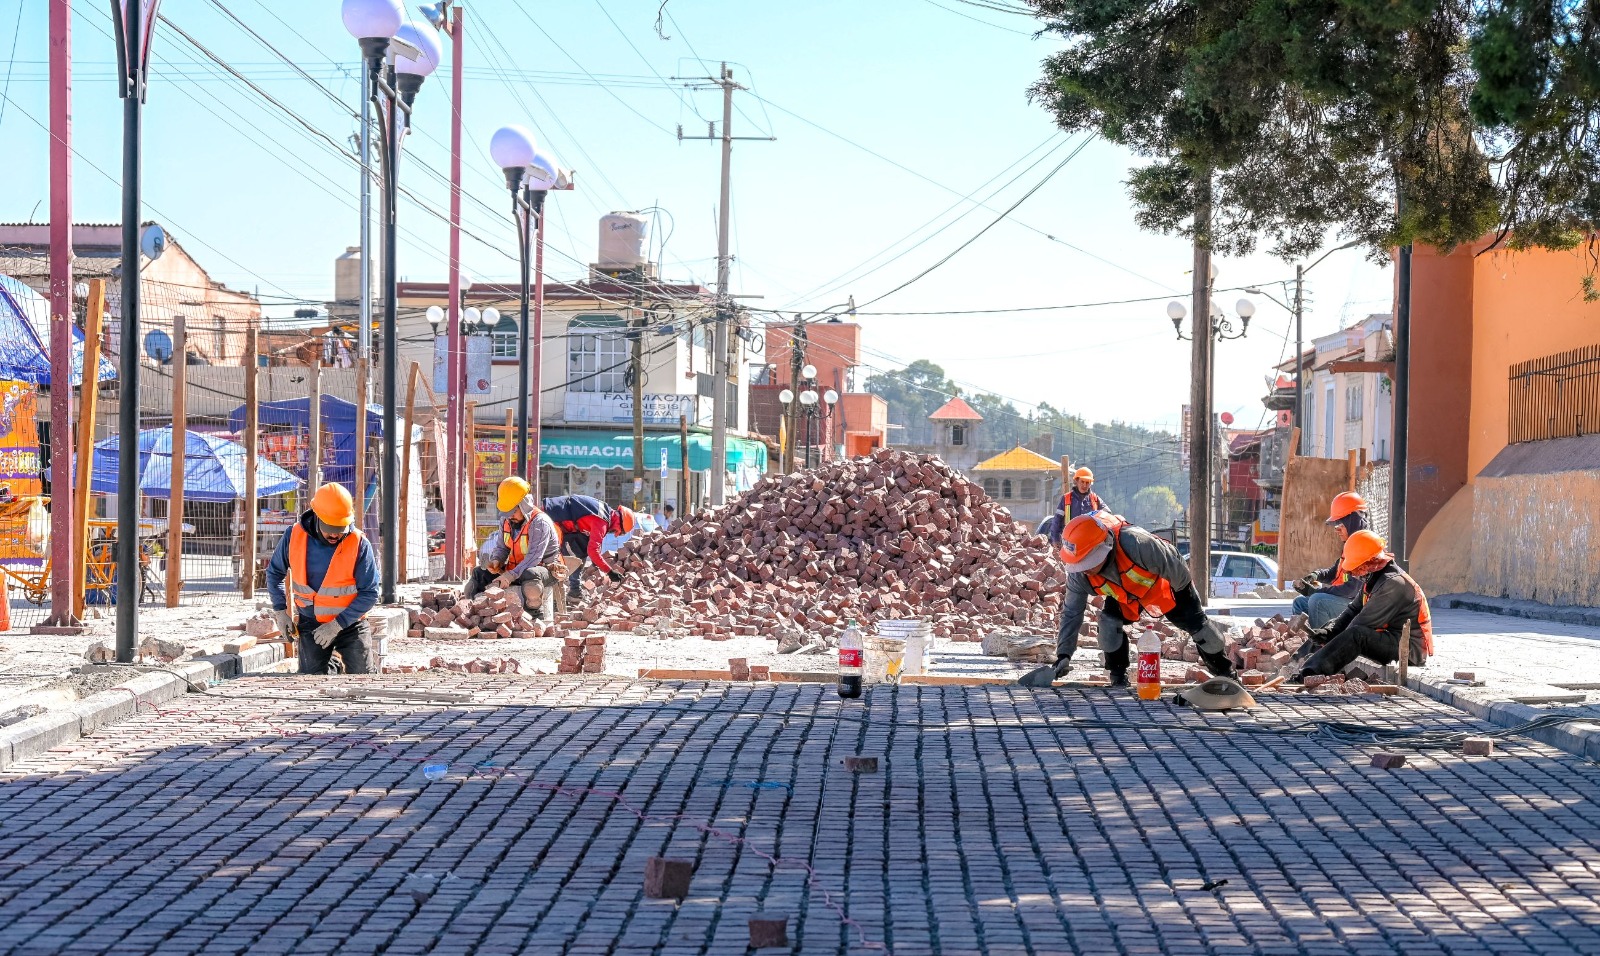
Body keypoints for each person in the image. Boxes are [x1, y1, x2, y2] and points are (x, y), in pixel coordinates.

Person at [1022, 510, 1236, 688]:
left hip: (1161, 584)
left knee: (1201, 630)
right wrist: (1064, 655)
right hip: (1124, 593)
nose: (1082, 571)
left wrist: (1190, 611)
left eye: (1086, 564)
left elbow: (1180, 573)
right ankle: (1117, 680)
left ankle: (1227, 676)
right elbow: (1071, 614)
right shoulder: (1080, 573)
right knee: (1108, 625)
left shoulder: (1138, 544)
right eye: (1078, 565)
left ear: (1102, 550)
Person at [266, 483, 379, 675]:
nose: (335, 534)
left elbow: (370, 593)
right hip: (310, 622)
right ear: (317, 517)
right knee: (311, 677)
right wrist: (280, 611)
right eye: (330, 528)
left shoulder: (359, 544)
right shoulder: (294, 536)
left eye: (340, 528)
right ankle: (331, 663)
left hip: (350, 623)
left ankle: (343, 661)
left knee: (362, 675)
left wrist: (337, 625)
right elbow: (274, 572)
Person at [1293, 530, 1433, 680]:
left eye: (1358, 568)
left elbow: (1360, 624)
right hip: (1390, 638)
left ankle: (1307, 675)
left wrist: (1331, 641)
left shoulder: (1394, 584)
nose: (1355, 573)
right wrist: (1327, 632)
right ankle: (1293, 663)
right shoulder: (1375, 579)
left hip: (1408, 651)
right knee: (1331, 627)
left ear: (1371, 562)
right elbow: (1352, 611)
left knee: (1356, 635)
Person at [464, 477, 564, 618]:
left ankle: (534, 614)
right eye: (506, 512)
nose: (510, 516)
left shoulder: (540, 523)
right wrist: (496, 561)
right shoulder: (506, 520)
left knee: (531, 574)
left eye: (513, 511)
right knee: (478, 574)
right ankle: (474, 611)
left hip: (545, 570)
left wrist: (509, 576)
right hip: (515, 570)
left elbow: (534, 558)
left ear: (524, 505)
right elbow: (501, 547)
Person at [1292, 491, 1371, 628]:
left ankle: (1322, 646)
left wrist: (1317, 592)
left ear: (1351, 521)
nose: (1337, 529)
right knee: (1299, 602)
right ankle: (1299, 642)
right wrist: (1316, 575)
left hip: (1360, 607)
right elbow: (1335, 571)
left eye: (1340, 523)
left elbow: (1352, 589)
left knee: (1317, 601)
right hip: (1346, 601)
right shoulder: (1350, 544)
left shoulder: (1364, 546)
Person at [542, 494, 636, 605]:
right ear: (619, 523)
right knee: (555, 558)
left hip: (554, 513)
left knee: (580, 548)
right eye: (620, 532)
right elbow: (593, 550)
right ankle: (549, 597)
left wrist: (598, 561)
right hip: (550, 518)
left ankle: (574, 593)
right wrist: (610, 572)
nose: (616, 535)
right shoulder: (602, 522)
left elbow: (593, 541)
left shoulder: (605, 512)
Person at [1044, 467, 1107, 548]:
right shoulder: (1066, 499)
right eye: (1082, 481)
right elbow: (1057, 520)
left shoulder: (1094, 499)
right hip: (1070, 542)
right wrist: (1055, 539)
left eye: (1087, 482)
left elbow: (1107, 515)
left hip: (1090, 543)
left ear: (1091, 483)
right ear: (1076, 481)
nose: (1084, 485)